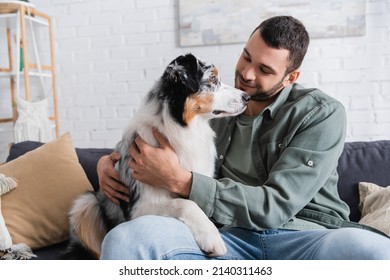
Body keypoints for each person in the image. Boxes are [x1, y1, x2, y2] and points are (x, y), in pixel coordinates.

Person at [97, 15, 390, 260]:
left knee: (374, 252)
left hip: (306, 239)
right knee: (124, 241)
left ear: (291, 77)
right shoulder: (213, 112)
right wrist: (110, 165)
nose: (247, 74)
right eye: (246, 57)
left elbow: (274, 207)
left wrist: (181, 181)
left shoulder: (322, 114)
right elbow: (155, 145)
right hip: (228, 239)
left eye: (264, 69)